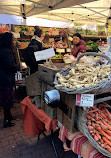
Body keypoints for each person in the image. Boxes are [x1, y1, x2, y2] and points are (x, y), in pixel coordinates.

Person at [0, 32, 20, 128]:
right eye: (12, 39)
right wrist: (19, 66)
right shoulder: (7, 51)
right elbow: (10, 66)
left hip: (3, 78)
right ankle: (6, 121)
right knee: (7, 99)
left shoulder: (3, 49)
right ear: (8, 40)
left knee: (6, 99)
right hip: (6, 79)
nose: (14, 41)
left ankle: (9, 116)